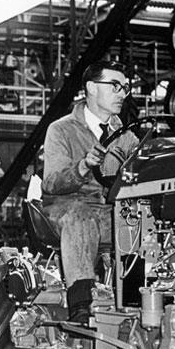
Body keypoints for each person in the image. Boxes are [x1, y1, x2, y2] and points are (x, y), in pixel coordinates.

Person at [42, 60, 140, 324]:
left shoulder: (127, 138)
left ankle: (136, 298)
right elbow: (51, 183)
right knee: (81, 216)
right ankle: (81, 304)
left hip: (109, 211)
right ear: (91, 88)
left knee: (138, 220)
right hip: (67, 206)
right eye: (115, 86)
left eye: (125, 88)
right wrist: (83, 166)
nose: (122, 93)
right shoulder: (60, 130)